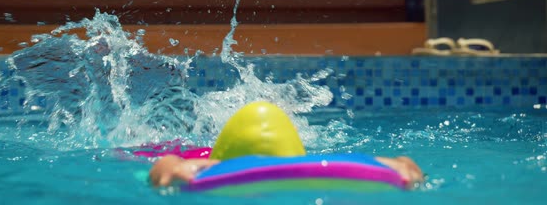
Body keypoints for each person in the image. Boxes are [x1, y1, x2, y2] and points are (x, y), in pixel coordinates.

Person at [149, 101, 424, 189]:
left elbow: (403, 163)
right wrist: (172, 170)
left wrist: (405, 168)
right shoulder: (200, 161)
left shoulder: (319, 164)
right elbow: (163, 165)